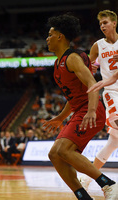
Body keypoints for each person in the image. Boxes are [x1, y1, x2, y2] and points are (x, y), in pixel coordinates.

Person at [43, 14, 118, 200]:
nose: (47, 38)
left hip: (92, 109)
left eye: (50, 34)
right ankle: (83, 197)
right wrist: (61, 117)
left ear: (60, 36)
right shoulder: (57, 62)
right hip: (80, 109)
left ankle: (109, 185)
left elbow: (92, 84)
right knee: (54, 154)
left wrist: (92, 110)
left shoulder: (72, 58)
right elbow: (73, 95)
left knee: (63, 150)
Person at [79, 10, 118, 191]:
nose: (102, 26)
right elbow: (86, 68)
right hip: (111, 92)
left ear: (114, 23)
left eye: (105, 22)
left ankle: (87, 179)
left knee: (112, 144)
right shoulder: (97, 46)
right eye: (100, 24)